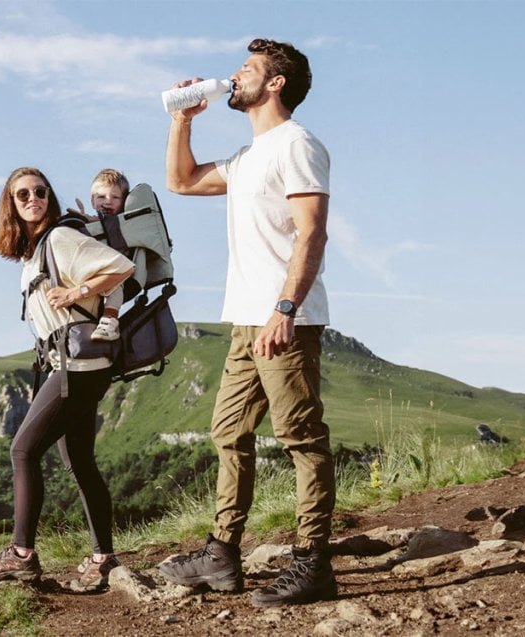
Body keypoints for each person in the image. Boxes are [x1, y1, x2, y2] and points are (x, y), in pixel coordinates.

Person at [157, 39, 337, 607]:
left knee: (301, 439)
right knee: (228, 433)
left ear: (276, 83)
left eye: (247, 70)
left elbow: (312, 232)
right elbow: (181, 182)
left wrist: (285, 309)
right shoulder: (244, 157)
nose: (233, 78)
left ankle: (313, 561)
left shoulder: (298, 144)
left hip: (284, 320)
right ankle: (222, 556)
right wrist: (182, 121)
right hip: (243, 322)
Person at [0, 166, 135, 592]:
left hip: (77, 367)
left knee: (23, 450)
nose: (33, 198)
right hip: (71, 364)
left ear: (50, 195)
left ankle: (22, 554)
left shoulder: (60, 238)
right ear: (10, 205)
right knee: (79, 461)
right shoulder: (35, 250)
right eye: (23, 194)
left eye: (40, 191)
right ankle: (104, 557)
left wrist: (77, 294)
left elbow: (122, 267)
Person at [85, 168, 131, 342]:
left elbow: (114, 229)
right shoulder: (87, 220)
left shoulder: (123, 222)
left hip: (116, 271)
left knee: (115, 286)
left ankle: (110, 321)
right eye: (101, 197)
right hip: (89, 270)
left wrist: (100, 222)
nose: (108, 202)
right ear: (92, 200)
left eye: (115, 197)